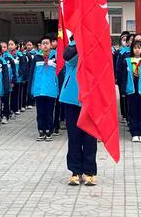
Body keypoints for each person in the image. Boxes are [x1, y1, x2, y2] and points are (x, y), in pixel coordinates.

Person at [59, 39, 98, 186]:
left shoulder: (94, 50)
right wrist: (79, 43)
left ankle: (89, 172)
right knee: (74, 137)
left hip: (90, 100)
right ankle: (75, 172)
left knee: (90, 137)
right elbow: (67, 56)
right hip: (71, 99)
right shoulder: (71, 48)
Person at [119, 40, 141, 142]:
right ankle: (134, 132)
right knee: (132, 111)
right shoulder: (127, 61)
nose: (137, 50)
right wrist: (123, 90)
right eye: (135, 48)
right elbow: (123, 76)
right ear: (132, 49)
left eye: (139, 48)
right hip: (131, 89)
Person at [28, 35, 59, 141]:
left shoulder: (56, 57)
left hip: (51, 89)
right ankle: (41, 131)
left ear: (51, 45)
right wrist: (30, 89)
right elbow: (32, 74)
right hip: (39, 89)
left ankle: (49, 131)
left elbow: (59, 74)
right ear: (40, 45)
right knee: (40, 112)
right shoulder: (36, 57)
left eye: (47, 43)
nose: (45, 45)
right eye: (43, 43)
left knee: (50, 112)